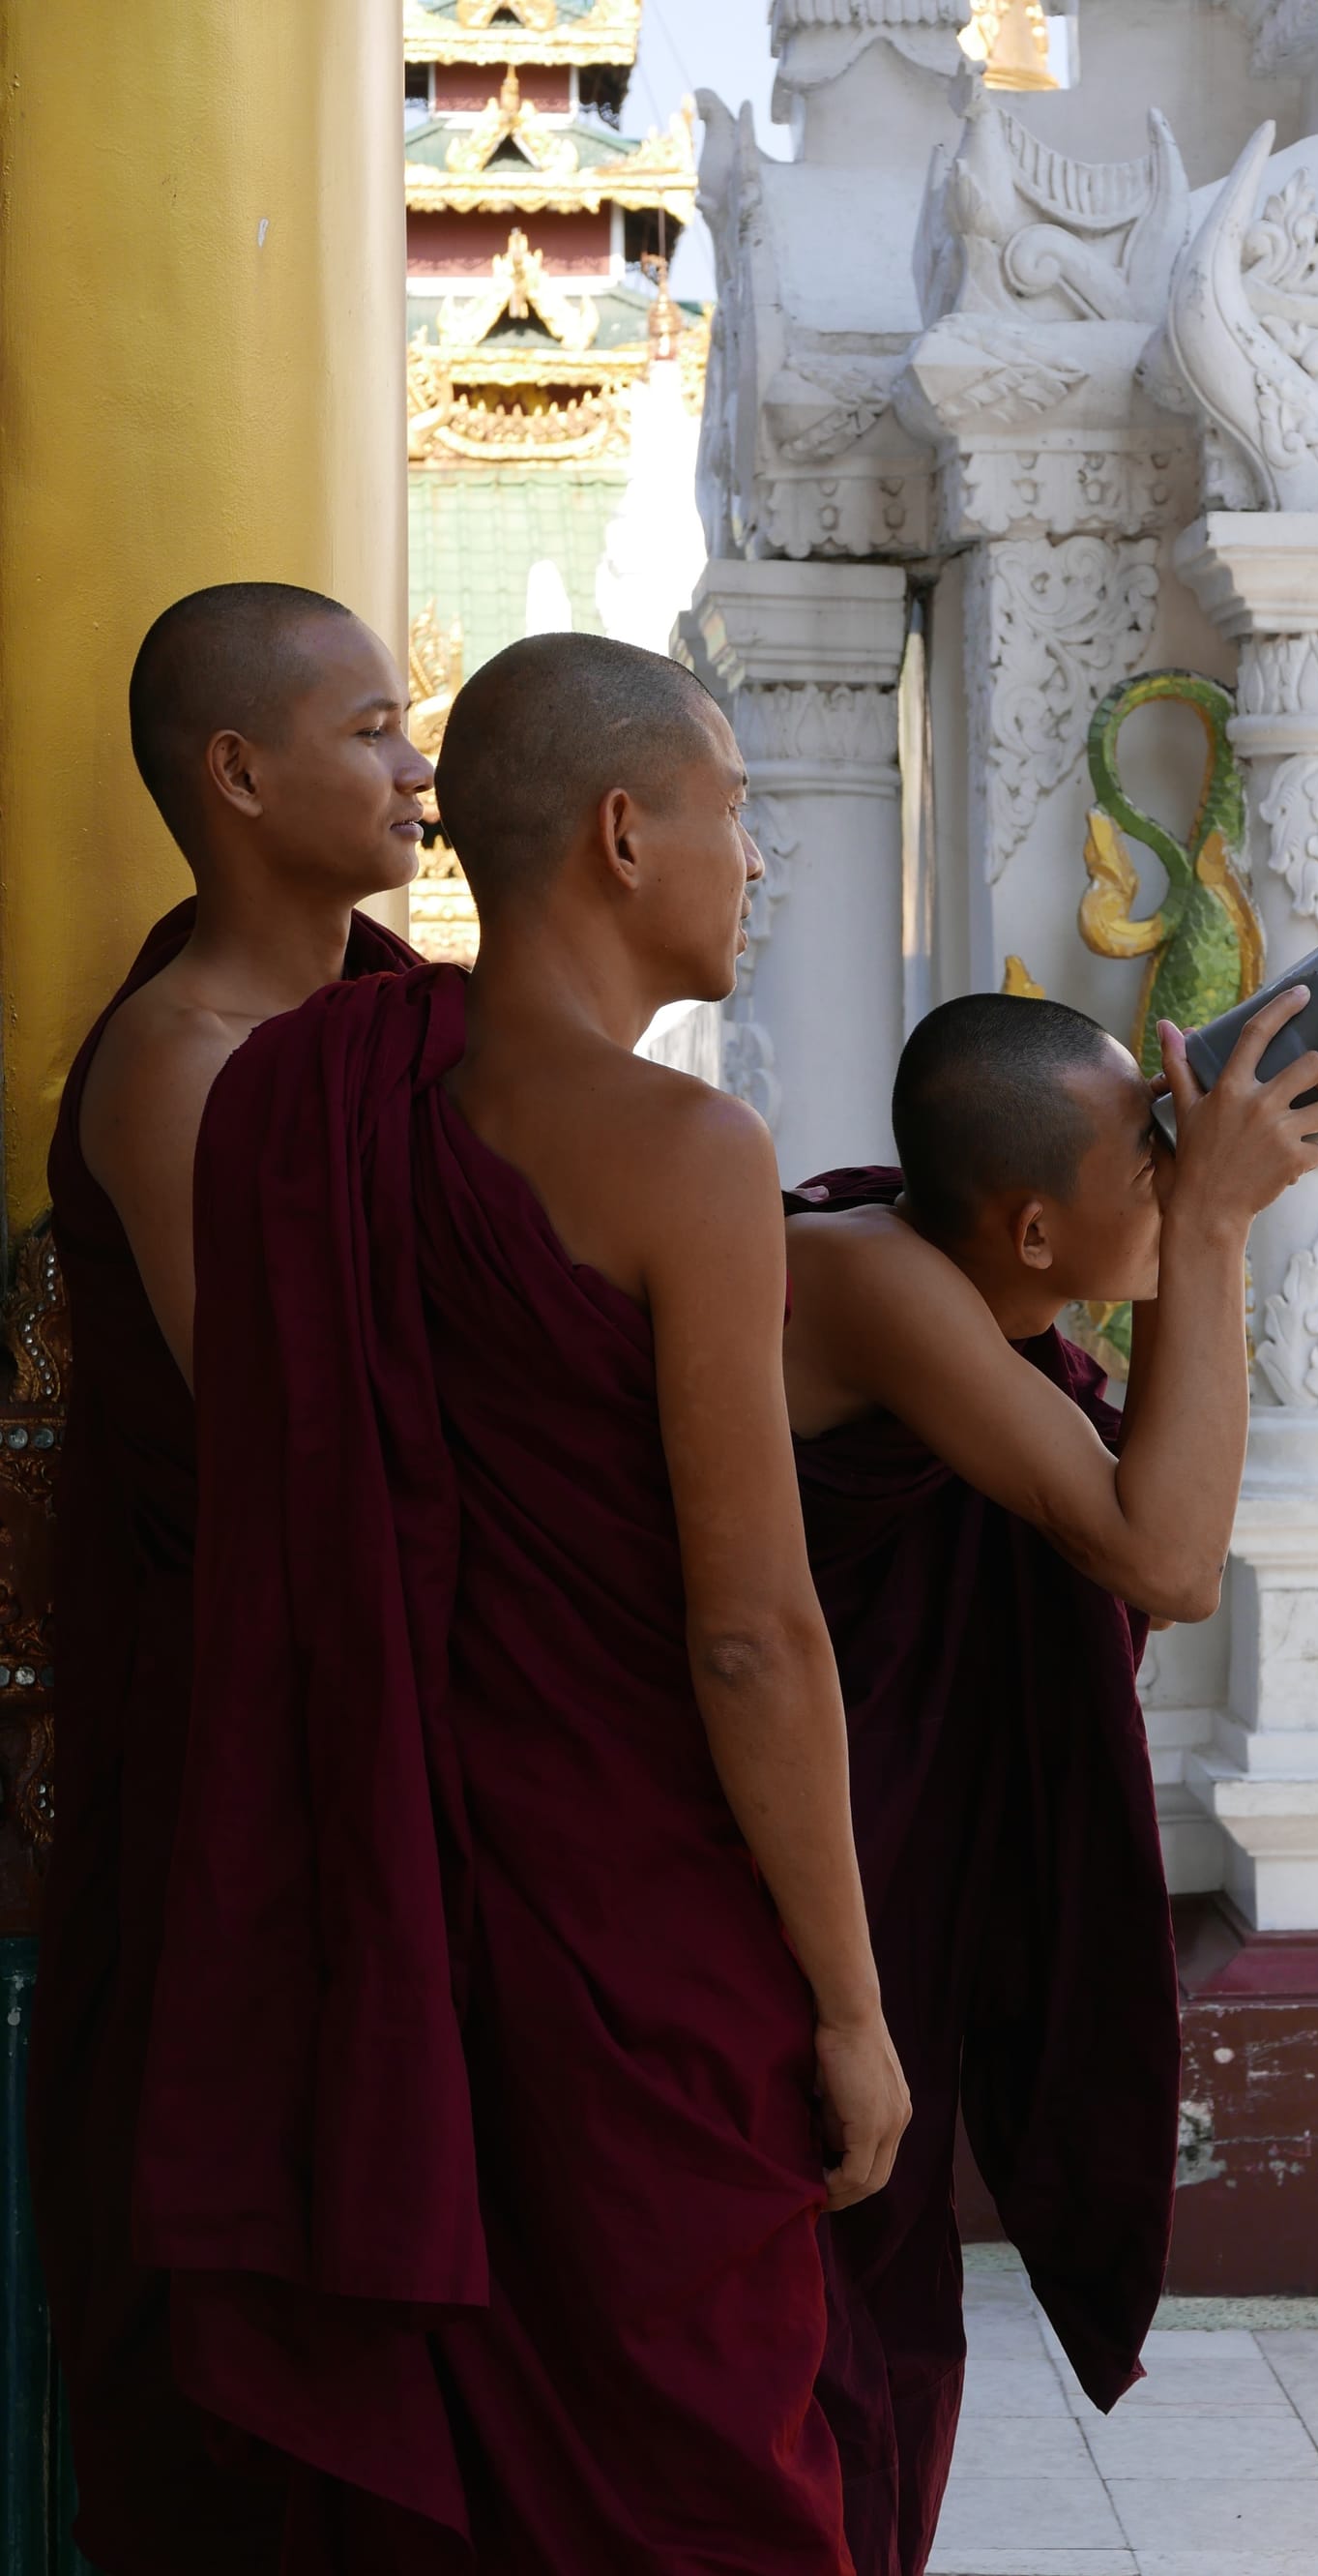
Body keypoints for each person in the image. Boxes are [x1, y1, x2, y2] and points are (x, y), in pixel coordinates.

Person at [133, 633, 910, 2572]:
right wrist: (848, 2003)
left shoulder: (296, 1107)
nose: (757, 866)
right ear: (626, 832)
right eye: (736, 819)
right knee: (698, 2488)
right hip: (637, 1957)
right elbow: (751, 1630)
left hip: (375, 1926)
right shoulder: (687, 1157)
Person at [781, 985, 1318, 2576]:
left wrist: (1192, 1230)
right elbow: (1166, 1558)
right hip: (756, 1892)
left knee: (880, 2328)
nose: (1176, 1180)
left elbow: (1166, 1543)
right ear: (1032, 1231)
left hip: (879, 1870)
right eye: (1147, 1165)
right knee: (800, 2353)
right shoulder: (873, 1278)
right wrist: (1219, 1240)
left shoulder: (981, 1295)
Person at [28, 581, 430, 2575]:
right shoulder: (179, 1061)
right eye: (370, 729)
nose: (412, 767)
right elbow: (285, 1439)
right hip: (244, 1718)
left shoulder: (394, 1003)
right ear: (240, 774)